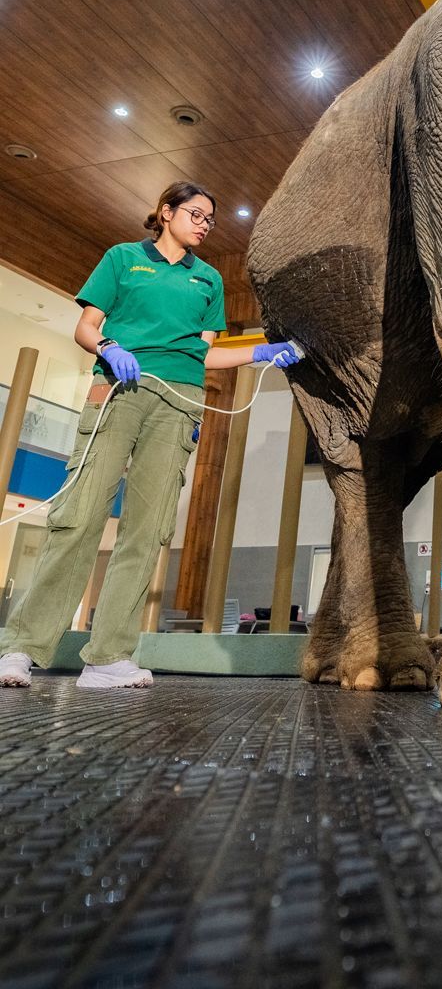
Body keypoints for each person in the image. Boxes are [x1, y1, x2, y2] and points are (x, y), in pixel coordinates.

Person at [0, 182, 301, 691]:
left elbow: (204, 354)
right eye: (195, 214)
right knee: (79, 518)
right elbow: (86, 327)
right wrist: (111, 347)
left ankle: (109, 658)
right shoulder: (123, 259)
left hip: (178, 402)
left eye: (210, 219)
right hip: (117, 388)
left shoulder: (207, 279)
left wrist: (259, 353)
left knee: (147, 530)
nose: (205, 224)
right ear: (166, 213)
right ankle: (21, 650)